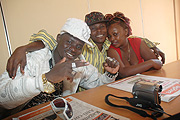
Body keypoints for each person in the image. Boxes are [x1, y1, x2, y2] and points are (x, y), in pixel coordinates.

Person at [0, 18, 119, 118]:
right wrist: (46, 79)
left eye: (78, 46)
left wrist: (110, 74)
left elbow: (97, 82)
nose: (73, 49)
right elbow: (2, 98)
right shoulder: (35, 59)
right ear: (58, 38)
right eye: (69, 42)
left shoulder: (77, 64)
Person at [6, 11, 165, 80]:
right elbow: (52, 40)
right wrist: (24, 48)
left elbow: (130, 38)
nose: (99, 32)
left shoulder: (110, 42)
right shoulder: (80, 48)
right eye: (93, 29)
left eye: (102, 27)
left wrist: (152, 45)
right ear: (86, 32)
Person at [105, 12, 163, 78]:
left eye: (115, 34)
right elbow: (123, 73)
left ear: (126, 31)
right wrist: (151, 63)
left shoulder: (137, 42)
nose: (112, 39)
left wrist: (152, 63)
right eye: (109, 36)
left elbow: (158, 64)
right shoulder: (112, 50)